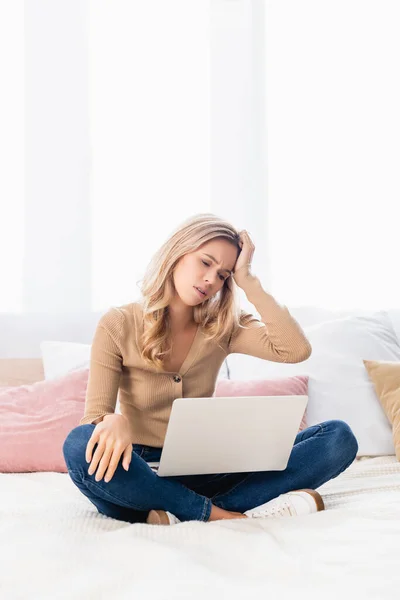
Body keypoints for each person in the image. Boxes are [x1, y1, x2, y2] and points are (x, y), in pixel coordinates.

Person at [63, 213, 358, 526]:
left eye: (223, 275)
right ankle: (219, 511)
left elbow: (295, 349)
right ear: (178, 253)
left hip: (206, 467)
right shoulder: (119, 323)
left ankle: (177, 510)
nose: (211, 280)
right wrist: (111, 420)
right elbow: (95, 416)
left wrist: (249, 282)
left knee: (338, 437)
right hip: (137, 469)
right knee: (79, 444)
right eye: (205, 263)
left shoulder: (223, 326)